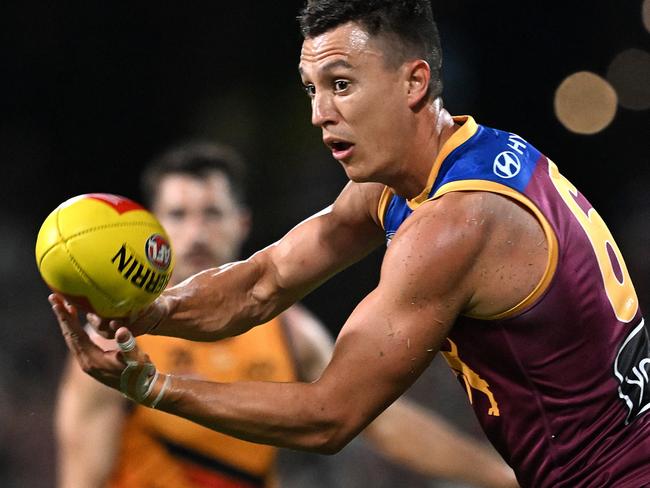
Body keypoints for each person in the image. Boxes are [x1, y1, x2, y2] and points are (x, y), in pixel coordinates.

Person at [49, 1, 650, 487]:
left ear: (415, 81)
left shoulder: (455, 224)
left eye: (341, 85)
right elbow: (265, 281)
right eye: (312, 88)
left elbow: (329, 417)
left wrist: (150, 386)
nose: (319, 113)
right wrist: (151, 313)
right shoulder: (446, 164)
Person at [54, 142, 517, 488]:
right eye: (178, 214)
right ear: (152, 227)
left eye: (212, 213)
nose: (196, 232)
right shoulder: (117, 349)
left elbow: (381, 422)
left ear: (242, 224)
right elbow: (82, 478)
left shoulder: (288, 333)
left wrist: (502, 476)